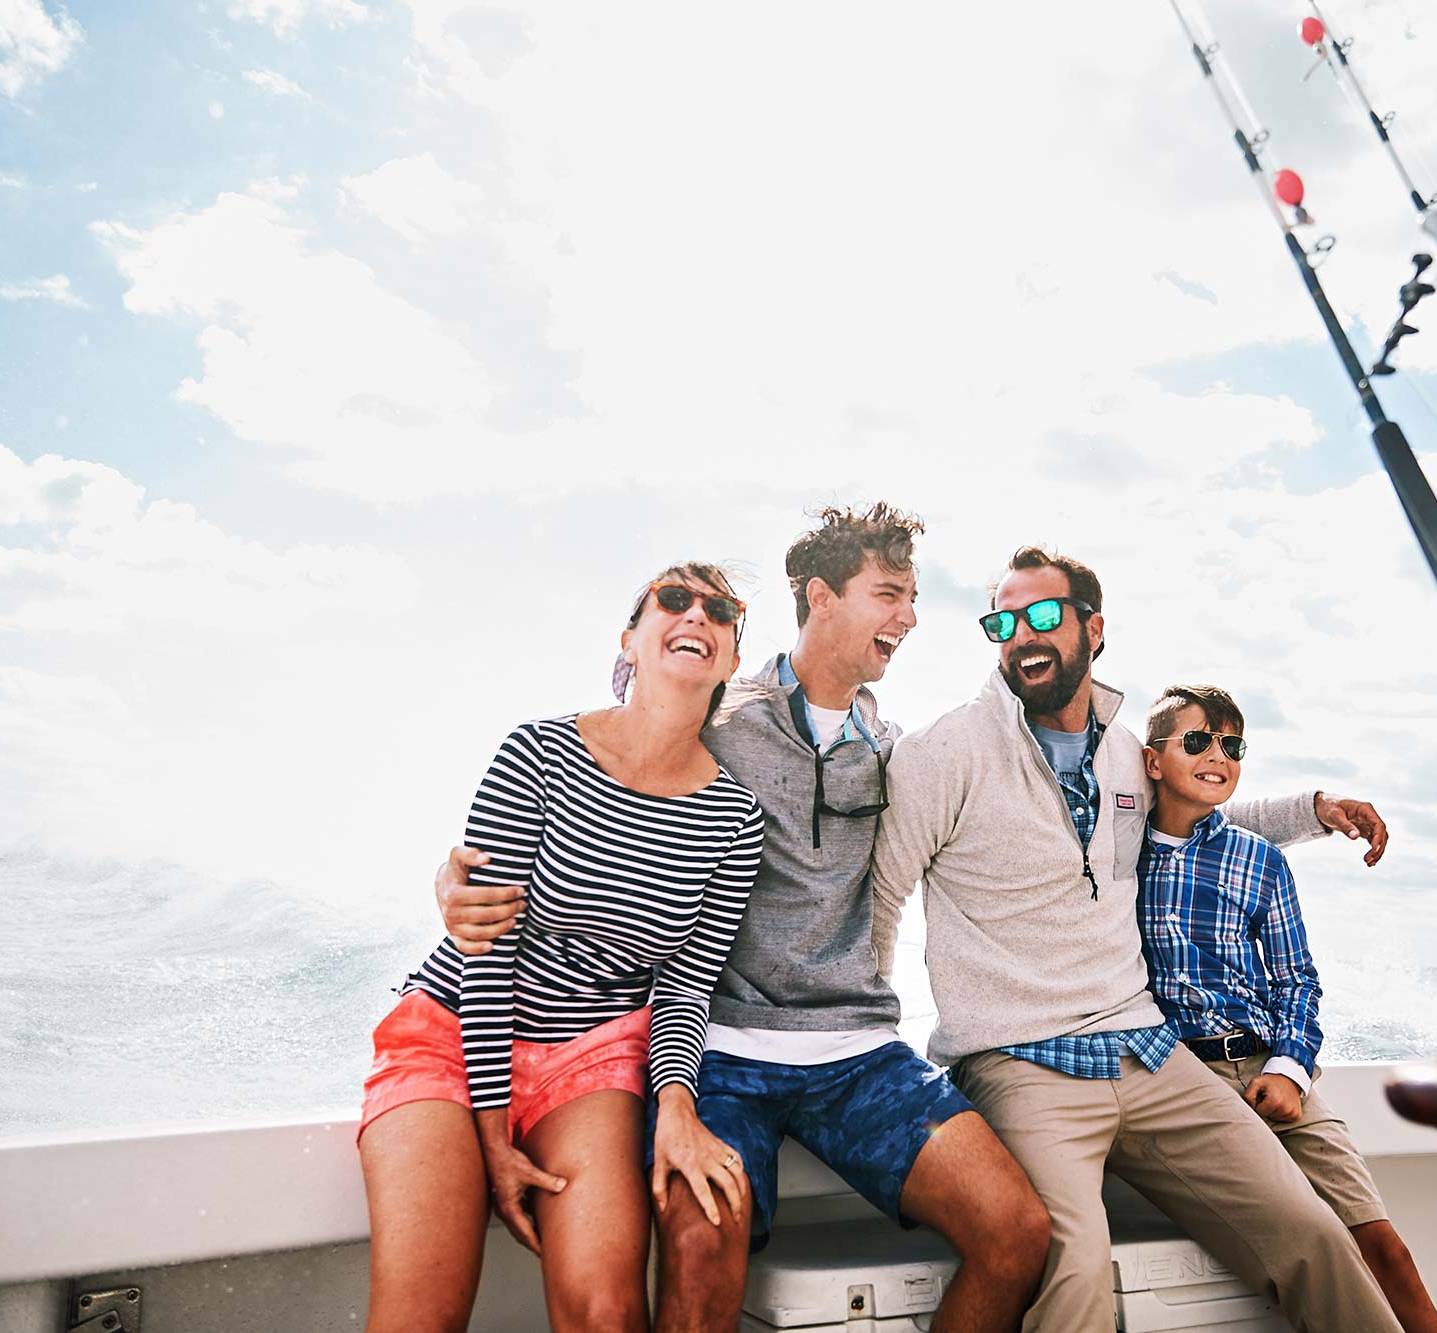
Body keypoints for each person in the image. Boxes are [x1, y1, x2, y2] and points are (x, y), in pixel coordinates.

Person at [436, 505, 1052, 1333]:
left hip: (856, 1050)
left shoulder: (892, 745)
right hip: (719, 1048)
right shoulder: (718, 716)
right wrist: (456, 881)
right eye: (891, 593)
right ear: (822, 598)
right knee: (695, 1251)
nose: (910, 616)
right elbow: (604, 786)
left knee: (1017, 1230)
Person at [871, 545, 1402, 1333]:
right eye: (1003, 621)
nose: (1023, 634)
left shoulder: (1128, 754)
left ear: (1094, 627)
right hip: (1021, 1063)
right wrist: (873, 1055)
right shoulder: (944, 754)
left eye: (1043, 614)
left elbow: (1202, 816)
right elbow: (879, 901)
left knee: (1314, 1236)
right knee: (1074, 1265)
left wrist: (1315, 809)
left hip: (1152, 1055)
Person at [357, 563, 766, 1333]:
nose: (696, 616)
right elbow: (487, 947)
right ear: (631, 640)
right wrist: (492, 1135)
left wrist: (675, 1103)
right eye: (673, 601)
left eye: (721, 611)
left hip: (589, 1058)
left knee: (608, 1314)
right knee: (418, 1320)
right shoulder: (536, 754)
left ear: (733, 659)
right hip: (451, 1035)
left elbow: (685, 986)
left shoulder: (736, 820)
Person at [1140, 684, 1437, 1333]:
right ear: (1151, 760)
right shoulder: (1117, 853)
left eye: (1233, 744)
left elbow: (1298, 983)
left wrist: (1288, 1068)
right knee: (1311, 1239)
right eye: (1196, 740)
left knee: (1384, 1247)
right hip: (1183, 1081)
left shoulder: (1261, 860)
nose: (1217, 753)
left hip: (1270, 1066)